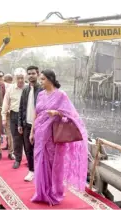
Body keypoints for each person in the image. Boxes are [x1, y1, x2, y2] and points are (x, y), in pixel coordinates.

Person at [30, 69, 88, 206]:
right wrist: (32, 131)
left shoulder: (61, 95)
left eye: (43, 79)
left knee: (53, 164)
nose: (41, 82)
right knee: (40, 162)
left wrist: (56, 112)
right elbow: (36, 114)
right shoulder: (40, 94)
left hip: (53, 136)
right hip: (40, 133)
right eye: (41, 79)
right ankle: (41, 192)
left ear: (50, 79)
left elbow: (71, 115)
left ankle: (53, 191)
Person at [18, 66, 42, 181]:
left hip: (40, 125)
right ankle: (31, 171)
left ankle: (41, 171)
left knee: (39, 149)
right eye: (29, 73)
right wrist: (20, 124)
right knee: (28, 149)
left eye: (33, 73)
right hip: (27, 124)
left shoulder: (42, 90)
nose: (31, 75)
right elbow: (21, 108)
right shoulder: (26, 90)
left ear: (38, 74)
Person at [1, 68, 26, 168]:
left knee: (27, 140)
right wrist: (3, 117)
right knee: (16, 139)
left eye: (22, 78)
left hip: (25, 116)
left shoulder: (29, 88)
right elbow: (5, 103)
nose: (20, 80)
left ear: (25, 78)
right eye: (18, 78)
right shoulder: (10, 88)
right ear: (15, 78)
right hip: (14, 115)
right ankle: (17, 159)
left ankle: (30, 160)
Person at [2, 74, 13, 151]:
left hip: (5, 111)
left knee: (8, 131)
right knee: (9, 131)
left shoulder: (4, 86)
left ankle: (10, 147)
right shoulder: (13, 87)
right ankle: (9, 146)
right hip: (11, 111)